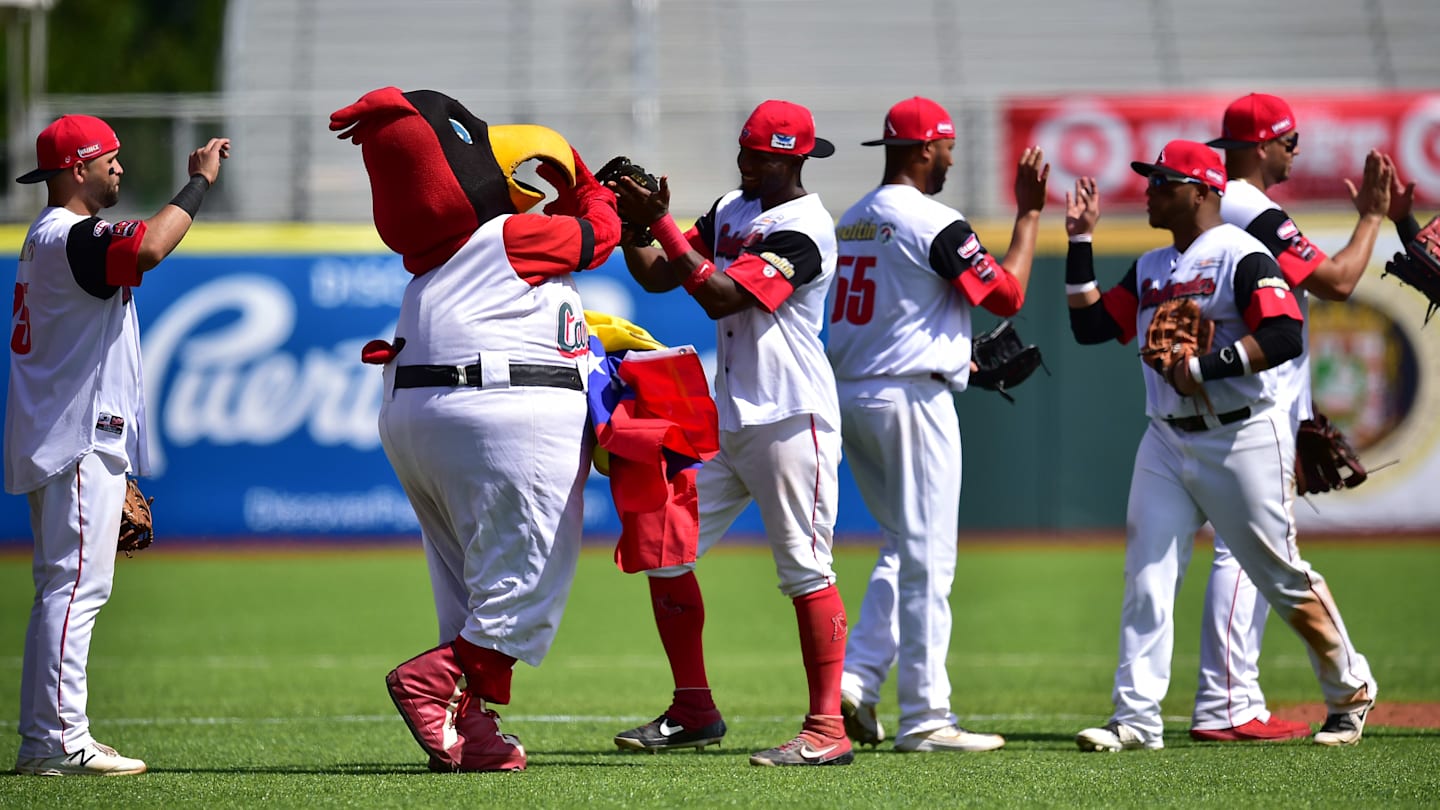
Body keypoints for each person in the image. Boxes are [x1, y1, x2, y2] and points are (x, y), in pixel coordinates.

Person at [330, 87, 621, 772]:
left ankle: (470, 727)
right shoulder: (509, 235)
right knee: (524, 584)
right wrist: (583, 182)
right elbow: (598, 237)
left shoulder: (429, 261)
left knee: (465, 585)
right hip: (500, 412)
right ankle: (432, 683)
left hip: (419, 417)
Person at [1064, 139, 1377, 752]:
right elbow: (1091, 325)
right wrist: (1079, 242)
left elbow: (1284, 333)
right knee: (1147, 575)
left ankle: (1351, 687)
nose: (1151, 190)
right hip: (1164, 439)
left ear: (1203, 191)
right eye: (1151, 181)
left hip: (1240, 436)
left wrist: (1207, 367)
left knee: (1281, 575)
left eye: (1164, 182)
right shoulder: (1153, 264)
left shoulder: (1245, 255)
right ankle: (1135, 719)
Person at [605, 99, 852, 767]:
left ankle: (827, 729)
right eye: (744, 149)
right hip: (732, 417)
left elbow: (719, 294)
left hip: (791, 416)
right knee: (663, 546)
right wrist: (636, 229)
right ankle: (694, 709)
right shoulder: (731, 208)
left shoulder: (807, 228)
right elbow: (661, 276)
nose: (746, 161)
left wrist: (659, 221)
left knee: (805, 570)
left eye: (761, 155)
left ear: (794, 159)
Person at [7, 115, 229, 775]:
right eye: (111, 158)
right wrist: (197, 184)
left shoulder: (51, 238)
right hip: (74, 438)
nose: (120, 168)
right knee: (74, 590)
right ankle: (55, 740)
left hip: (66, 434)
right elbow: (150, 248)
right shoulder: (70, 237)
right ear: (77, 169)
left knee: (64, 587)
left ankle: (47, 736)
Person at [825, 96, 1048, 753]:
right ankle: (926, 718)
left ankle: (859, 678)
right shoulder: (935, 221)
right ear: (924, 150)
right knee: (930, 559)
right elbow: (1006, 294)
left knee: (901, 544)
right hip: (910, 402)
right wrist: (1030, 213)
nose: (951, 158)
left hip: (856, 393)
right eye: (946, 148)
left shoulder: (855, 217)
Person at [1190, 93, 1393, 743]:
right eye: (1287, 139)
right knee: (1253, 554)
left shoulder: (1224, 204)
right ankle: (1251, 700)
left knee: (1249, 553)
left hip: (1241, 404)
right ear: (1259, 147)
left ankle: (1235, 699)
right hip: (1258, 406)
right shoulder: (1253, 209)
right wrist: (1371, 219)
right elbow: (1336, 281)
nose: (1295, 150)